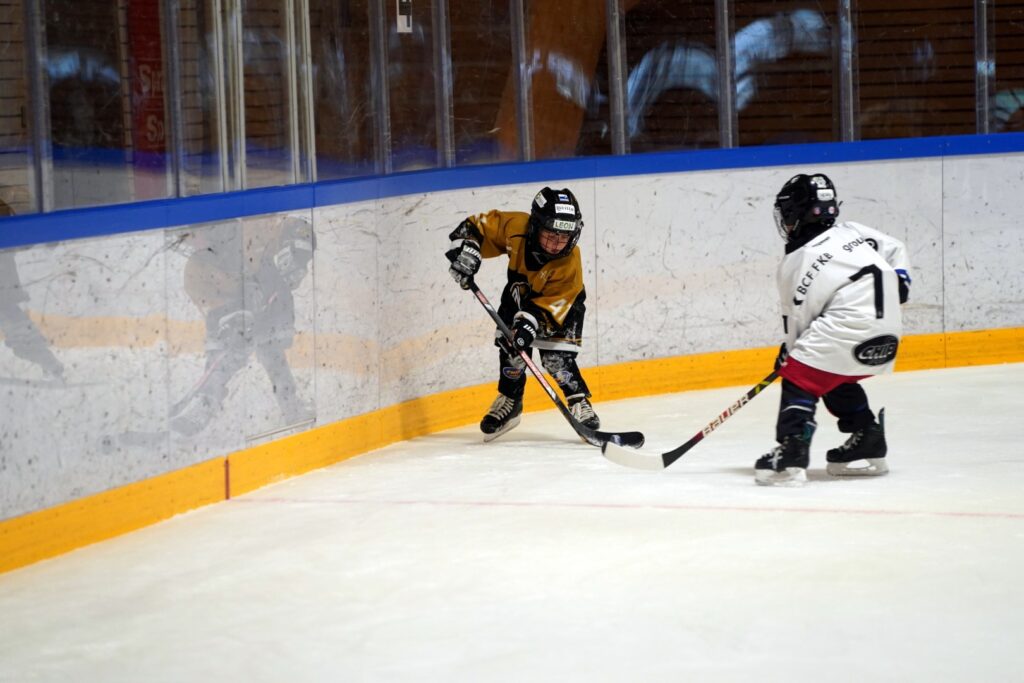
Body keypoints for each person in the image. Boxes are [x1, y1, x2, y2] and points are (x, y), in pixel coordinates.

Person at [756, 173, 911, 487]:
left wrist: (790, 356)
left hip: (847, 327)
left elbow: (799, 319)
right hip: (888, 334)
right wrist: (901, 281)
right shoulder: (853, 231)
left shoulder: (798, 260)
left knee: (801, 377)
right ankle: (867, 436)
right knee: (829, 370)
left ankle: (793, 447)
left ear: (794, 213)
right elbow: (895, 248)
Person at [447, 187, 600, 442]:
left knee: (556, 358)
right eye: (550, 234)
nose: (556, 244)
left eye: (564, 236)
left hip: (561, 304)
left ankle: (578, 401)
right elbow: (476, 227)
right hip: (519, 293)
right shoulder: (516, 226)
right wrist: (468, 249)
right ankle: (511, 400)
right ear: (535, 226)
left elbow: (553, 305)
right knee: (511, 351)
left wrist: (530, 324)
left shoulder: (570, 261)